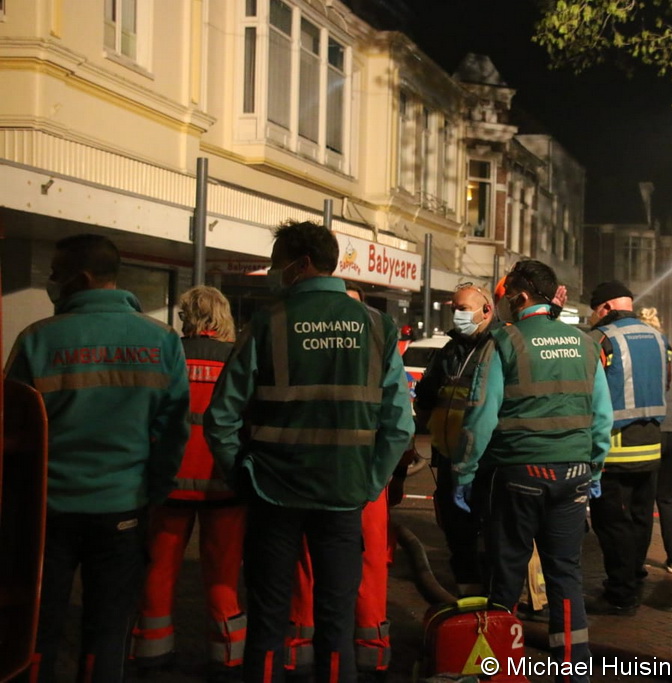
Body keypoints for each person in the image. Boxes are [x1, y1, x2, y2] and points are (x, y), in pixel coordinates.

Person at [204, 220, 414, 683]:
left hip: (273, 494)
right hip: (343, 495)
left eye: (277, 263)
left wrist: (241, 476)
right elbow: (399, 425)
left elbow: (221, 417)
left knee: (268, 620)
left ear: (300, 264)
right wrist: (368, 483)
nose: (273, 273)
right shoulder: (377, 326)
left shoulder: (268, 322)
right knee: (336, 624)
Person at [4, 234, 190, 683]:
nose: (52, 282)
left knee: (37, 629)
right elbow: (172, 433)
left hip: (47, 514)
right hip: (123, 510)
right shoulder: (162, 340)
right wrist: (154, 491)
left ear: (82, 278)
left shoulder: (36, 339)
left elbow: (12, 433)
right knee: (108, 630)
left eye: (56, 274)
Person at [452, 260, 612, 680]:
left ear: (521, 296)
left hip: (518, 474)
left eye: (507, 296)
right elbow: (602, 418)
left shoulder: (504, 342)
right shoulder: (585, 344)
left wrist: (464, 472)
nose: (504, 303)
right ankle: (573, 668)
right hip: (574, 475)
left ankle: (501, 667)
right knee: (565, 574)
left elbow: (481, 416)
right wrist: (594, 470)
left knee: (506, 572)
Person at [130, 286, 246, 679]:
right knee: (223, 576)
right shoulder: (237, 358)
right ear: (223, 315)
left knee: (159, 569)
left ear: (187, 316)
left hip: (170, 485)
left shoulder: (168, 354)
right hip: (223, 484)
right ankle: (227, 654)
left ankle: (151, 649)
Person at [586, 282, 671, 615]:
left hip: (614, 448)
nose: (593, 317)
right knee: (639, 518)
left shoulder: (602, 339)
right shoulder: (659, 338)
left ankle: (620, 593)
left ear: (605, 307)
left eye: (595, 311)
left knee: (612, 523)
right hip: (651, 444)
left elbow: (590, 392)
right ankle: (634, 577)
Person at [414, 281, 499, 596]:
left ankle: (494, 592)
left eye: (462, 309)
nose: (456, 315)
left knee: (489, 527)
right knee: (456, 526)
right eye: (454, 309)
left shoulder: (501, 346)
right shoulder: (450, 350)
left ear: (486, 310)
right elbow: (427, 394)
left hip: (487, 459)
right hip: (450, 455)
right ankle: (467, 586)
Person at [636, 307, 672, 575]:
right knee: (670, 498)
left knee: (644, 498)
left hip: (653, 428)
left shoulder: (640, 354)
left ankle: (638, 560)